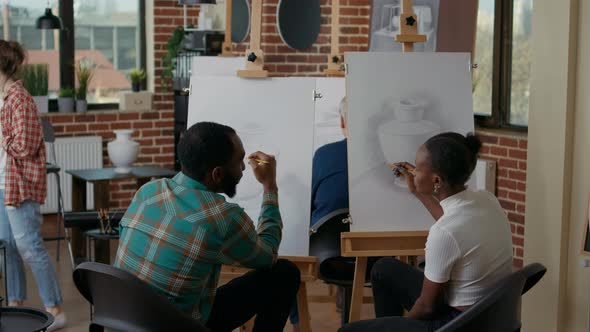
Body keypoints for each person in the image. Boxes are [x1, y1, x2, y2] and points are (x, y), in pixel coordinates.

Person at [115, 121, 301, 331]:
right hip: (176, 325)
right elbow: (268, 256)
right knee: (284, 274)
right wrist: (269, 185)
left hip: (124, 319)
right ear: (217, 174)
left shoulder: (147, 192)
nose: (242, 168)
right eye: (239, 161)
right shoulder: (223, 218)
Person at [340, 132, 513, 332]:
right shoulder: (486, 199)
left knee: (347, 331)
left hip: (459, 324)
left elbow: (427, 307)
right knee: (383, 269)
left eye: (418, 169)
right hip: (489, 314)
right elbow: (454, 224)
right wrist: (416, 191)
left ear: (437, 180)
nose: (413, 173)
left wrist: (401, 326)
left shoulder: (444, 232)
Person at [0, 40, 66, 331]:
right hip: (2, 183)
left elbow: (25, 145)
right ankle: (14, 305)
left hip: (18, 184)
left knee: (29, 246)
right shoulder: (2, 97)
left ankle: (56, 308)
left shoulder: (19, 98)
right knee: (7, 247)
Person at [311, 97, 349, 228]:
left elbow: (308, 205)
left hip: (324, 239)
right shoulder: (390, 157)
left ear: (343, 122)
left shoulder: (324, 155)